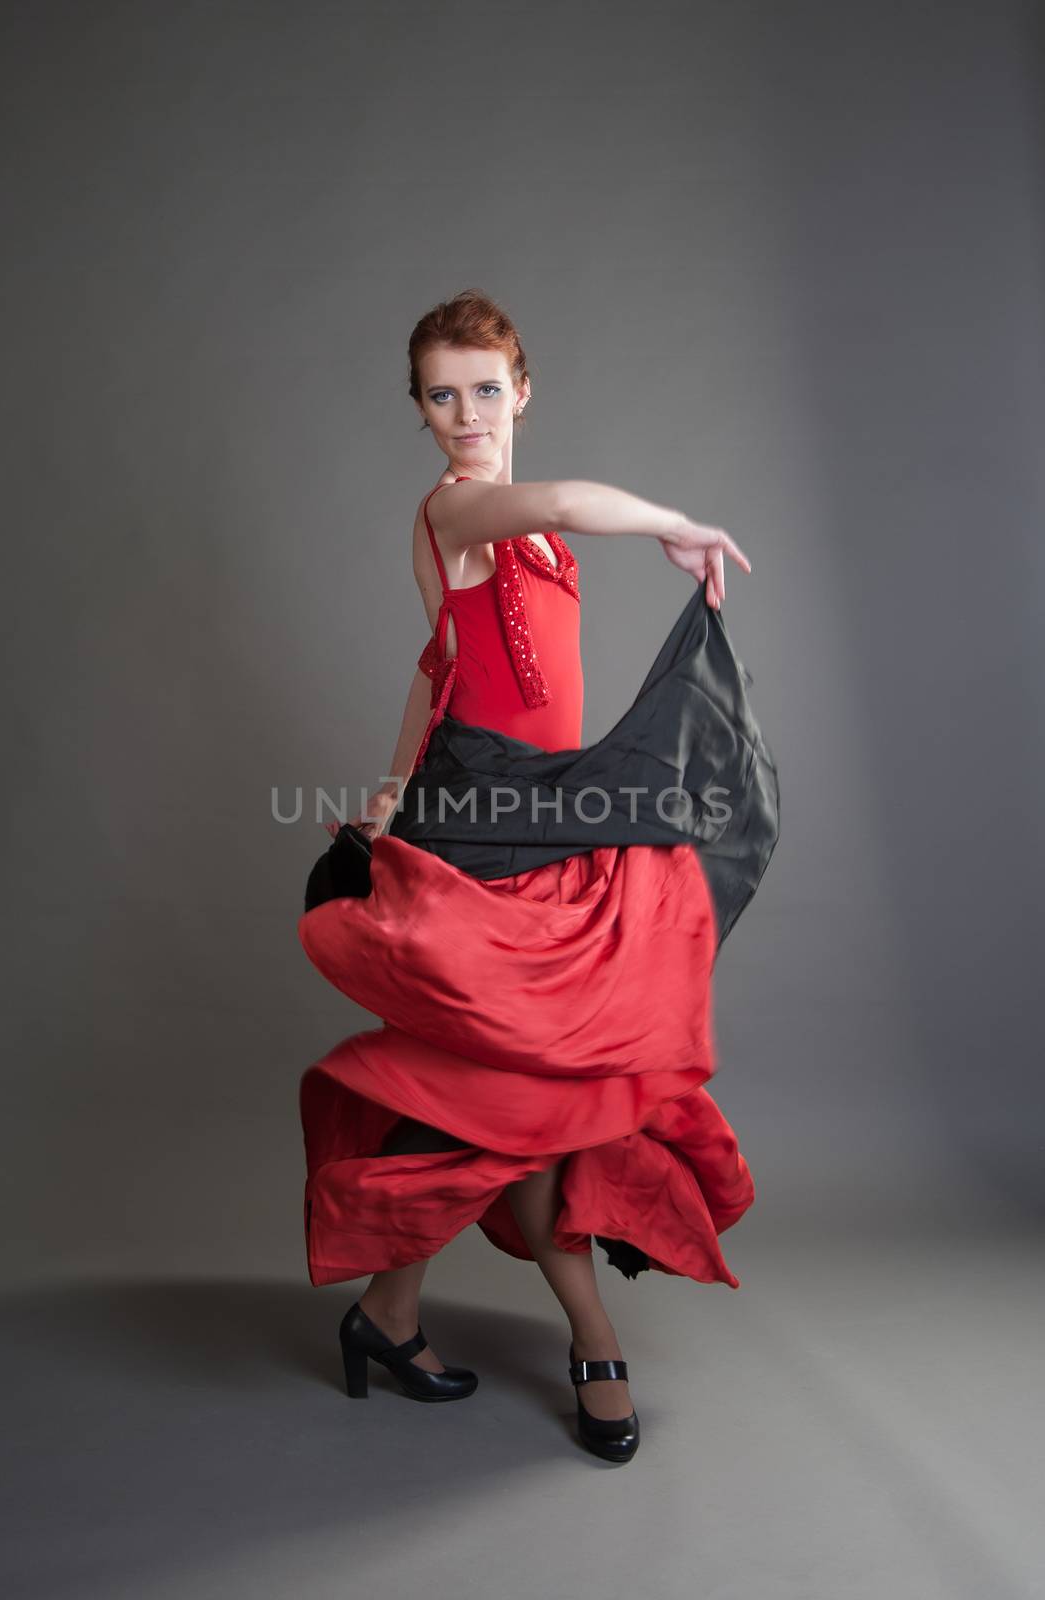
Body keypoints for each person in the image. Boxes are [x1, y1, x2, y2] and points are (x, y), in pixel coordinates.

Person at [298, 289, 773, 1464]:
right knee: (532, 1095)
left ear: (523, 389)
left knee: (496, 1093)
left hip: (537, 817)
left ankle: (389, 1316)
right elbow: (555, 497)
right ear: (418, 410)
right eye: (440, 395)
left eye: (485, 389)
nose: (465, 413)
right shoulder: (461, 505)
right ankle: (591, 1332)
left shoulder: (530, 531)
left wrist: (390, 780)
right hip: (487, 826)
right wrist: (677, 522)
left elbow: (439, 660)